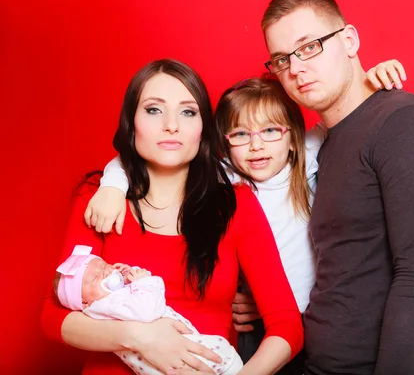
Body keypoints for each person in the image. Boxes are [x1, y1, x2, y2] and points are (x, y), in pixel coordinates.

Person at [85, 63, 406, 375]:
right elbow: (152, 155)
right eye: (240, 134)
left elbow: (346, 114)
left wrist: (369, 82)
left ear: (292, 139)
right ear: (224, 145)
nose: (256, 145)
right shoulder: (225, 181)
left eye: (269, 130)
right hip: (260, 325)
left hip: (318, 320)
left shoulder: (304, 159)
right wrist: (113, 184)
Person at [41, 58, 304, 375]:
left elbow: (287, 324)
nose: (171, 125)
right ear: (131, 121)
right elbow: (53, 317)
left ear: (203, 127)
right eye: (154, 109)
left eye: (187, 111)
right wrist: (139, 338)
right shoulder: (98, 197)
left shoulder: (235, 204)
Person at [260, 0, 414, 375]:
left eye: (309, 47)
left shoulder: (404, 123)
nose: (296, 69)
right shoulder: (320, 146)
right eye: (282, 59)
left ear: (349, 40)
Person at [54, 244, 244, 375]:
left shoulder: (108, 301)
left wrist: (129, 276)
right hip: (163, 356)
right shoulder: (105, 306)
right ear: (84, 303)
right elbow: (146, 312)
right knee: (220, 355)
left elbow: (131, 302)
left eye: (104, 265)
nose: (106, 272)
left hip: (167, 350)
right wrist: (143, 281)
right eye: (95, 278)